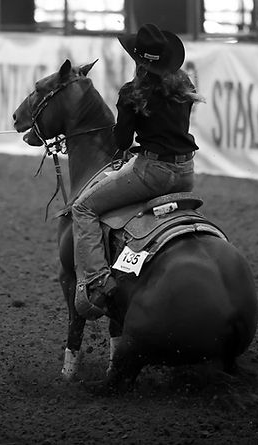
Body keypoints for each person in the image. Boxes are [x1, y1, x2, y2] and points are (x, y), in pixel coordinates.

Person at [71, 23, 204, 320]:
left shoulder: (132, 93)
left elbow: (122, 142)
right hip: (185, 172)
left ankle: (98, 281)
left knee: (83, 208)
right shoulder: (185, 88)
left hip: (152, 172)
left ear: (138, 61)